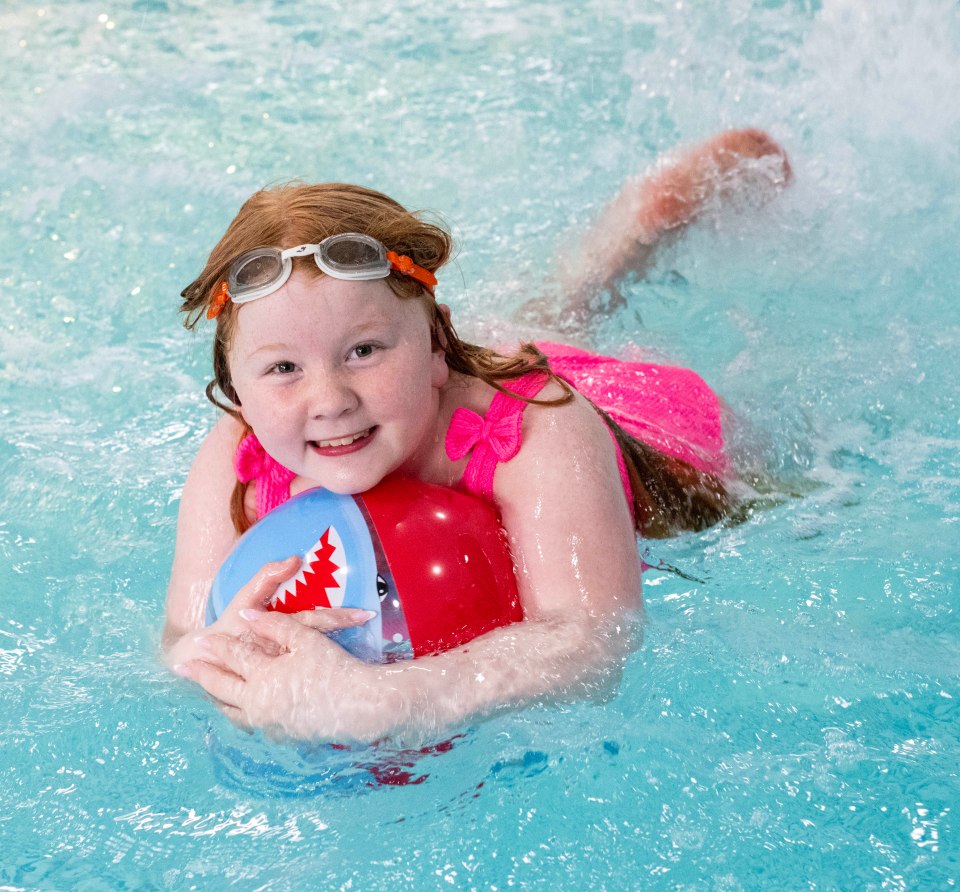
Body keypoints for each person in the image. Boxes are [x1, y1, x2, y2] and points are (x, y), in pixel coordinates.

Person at [164, 128, 791, 743]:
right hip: (458, 381)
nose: (329, 400)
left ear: (437, 345)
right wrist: (226, 662)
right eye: (283, 369)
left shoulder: (541, 428)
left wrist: (388, 699)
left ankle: (637, 228)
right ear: (236, 391)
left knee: (775, 487)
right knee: (539, 319)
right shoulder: (240, 455)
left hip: (643, 431)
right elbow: (179, 641)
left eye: (363, 350)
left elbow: (594, 640)